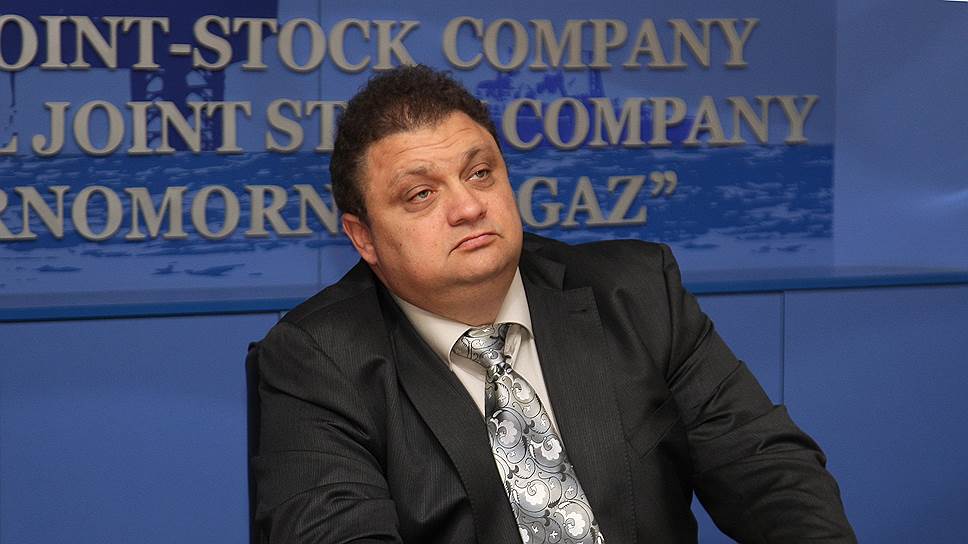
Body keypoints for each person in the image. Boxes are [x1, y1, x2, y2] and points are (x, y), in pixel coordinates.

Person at [247, 65, 856, 543]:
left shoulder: (636, 293)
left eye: (480, 173)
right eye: (421, 194)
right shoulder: (317, 361)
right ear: (363, 238)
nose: (468, 206)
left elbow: (770, 471)